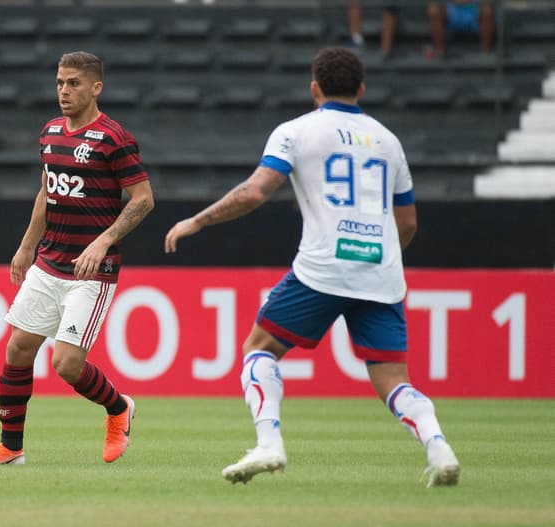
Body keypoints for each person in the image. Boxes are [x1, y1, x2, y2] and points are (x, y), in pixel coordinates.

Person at [164, 46, 460, 487]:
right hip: (381, 272)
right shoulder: (388, 140)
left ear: (314, 88)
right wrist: (378, 259)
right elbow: (408, 222)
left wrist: (198, 219)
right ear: (361, 89)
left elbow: (253, 192)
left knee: (259, 348)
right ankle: (440, 451)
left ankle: (269, 445)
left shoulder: (297, 131)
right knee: (394, 379)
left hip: (322, 269)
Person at [0, 51, 154, 467]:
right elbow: (47, 191)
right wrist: (26, 245)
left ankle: (119, 407)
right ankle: (11, 449)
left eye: (73, 83)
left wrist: (104, 241)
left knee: (67, 365)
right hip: (50, 261)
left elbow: (143, 200)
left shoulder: (114, 138)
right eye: (59, 83)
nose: (64, 91)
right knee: (17, 349)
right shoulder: (50, 131)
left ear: (95, 88)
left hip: (92, 271)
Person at [426, 0, 494, 59]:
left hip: (474, 9)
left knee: (487, 9)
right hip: (450, 10)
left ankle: (486, 51)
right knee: (433, 10)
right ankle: (439, 50)